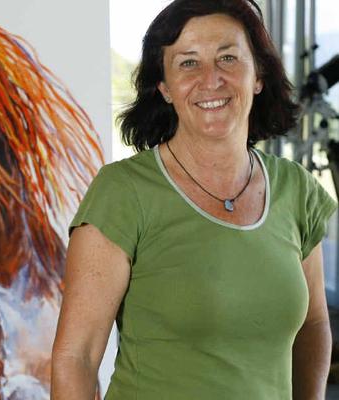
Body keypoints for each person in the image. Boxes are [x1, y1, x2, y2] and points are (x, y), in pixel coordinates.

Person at [51, 0, 338, 399]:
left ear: (258, 75)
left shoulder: (297, 190)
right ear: (164, 87)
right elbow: (76, 358)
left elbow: (312, 326)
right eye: (188, 63)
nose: (211, 79)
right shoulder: (124, 192)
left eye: (228, 58)